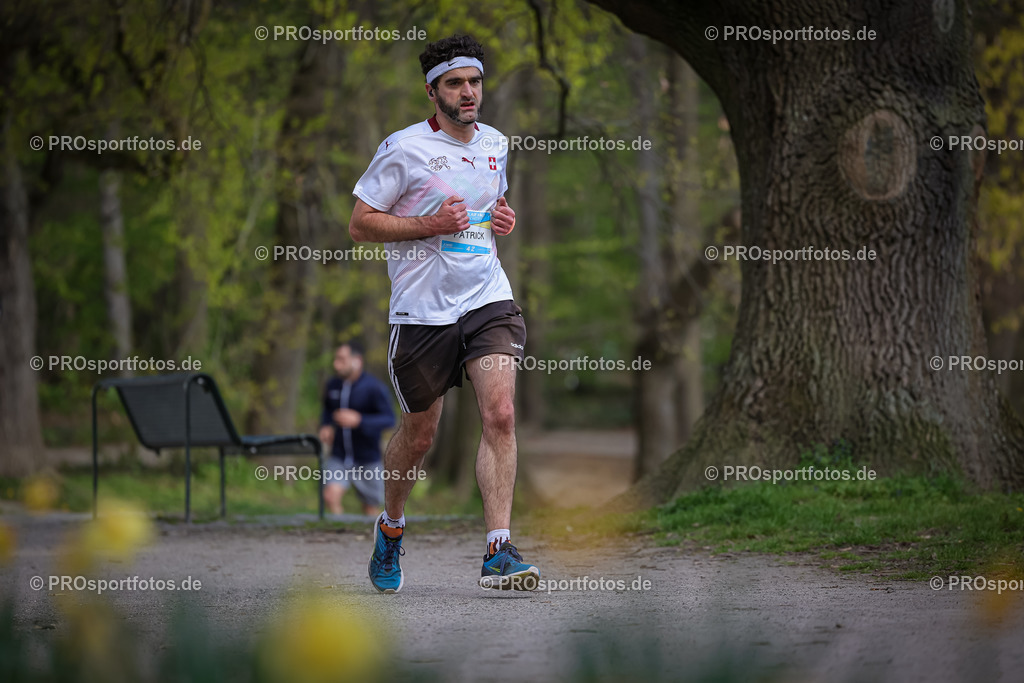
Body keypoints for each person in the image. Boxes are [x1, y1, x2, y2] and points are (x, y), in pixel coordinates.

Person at [349, 34, 540, 593]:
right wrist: (428, 225)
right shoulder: (401, 149)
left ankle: (498, 549)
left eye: (475, 81)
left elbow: (489, 208)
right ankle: (391, 527)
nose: (468, 92)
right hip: (422, 311)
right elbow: (361, 224)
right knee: (420, 435)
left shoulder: (497, 144)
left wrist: (501, 219)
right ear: (432, 91)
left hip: (485, 296)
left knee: (501, 413)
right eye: (455, 83)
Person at [318, 342, 396, 516]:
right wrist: (326, 426)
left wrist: (360, 420)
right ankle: (340, 534)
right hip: (339, 456)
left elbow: (390, 419)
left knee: (370, 509)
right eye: (336, 359)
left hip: (367, 459)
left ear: (357, 361)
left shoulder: (374, 387)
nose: (336, 364)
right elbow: (327, 411)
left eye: (342, 359)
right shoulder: (333, 385)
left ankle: (371, 540)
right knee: (330, 496)